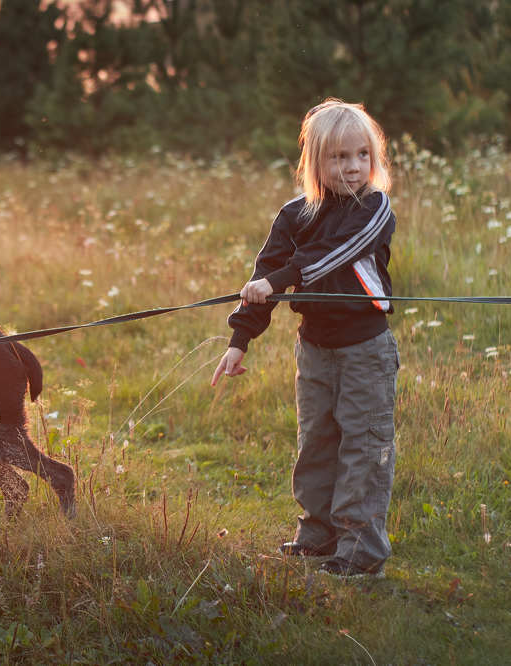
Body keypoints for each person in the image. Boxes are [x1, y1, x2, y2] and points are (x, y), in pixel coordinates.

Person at [210, 98, 399, 579]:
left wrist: (279, 280)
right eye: (339, 157)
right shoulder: (295, 214)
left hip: (365, 350)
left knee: (363, 447)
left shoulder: (374, 208)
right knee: (315, 442)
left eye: (362, 154)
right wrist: (239, 339)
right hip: (314, 349)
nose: (353, 167)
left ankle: (360, 553)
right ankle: (318, 536)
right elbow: (265, 273)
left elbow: (332, 254)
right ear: (315, 161)